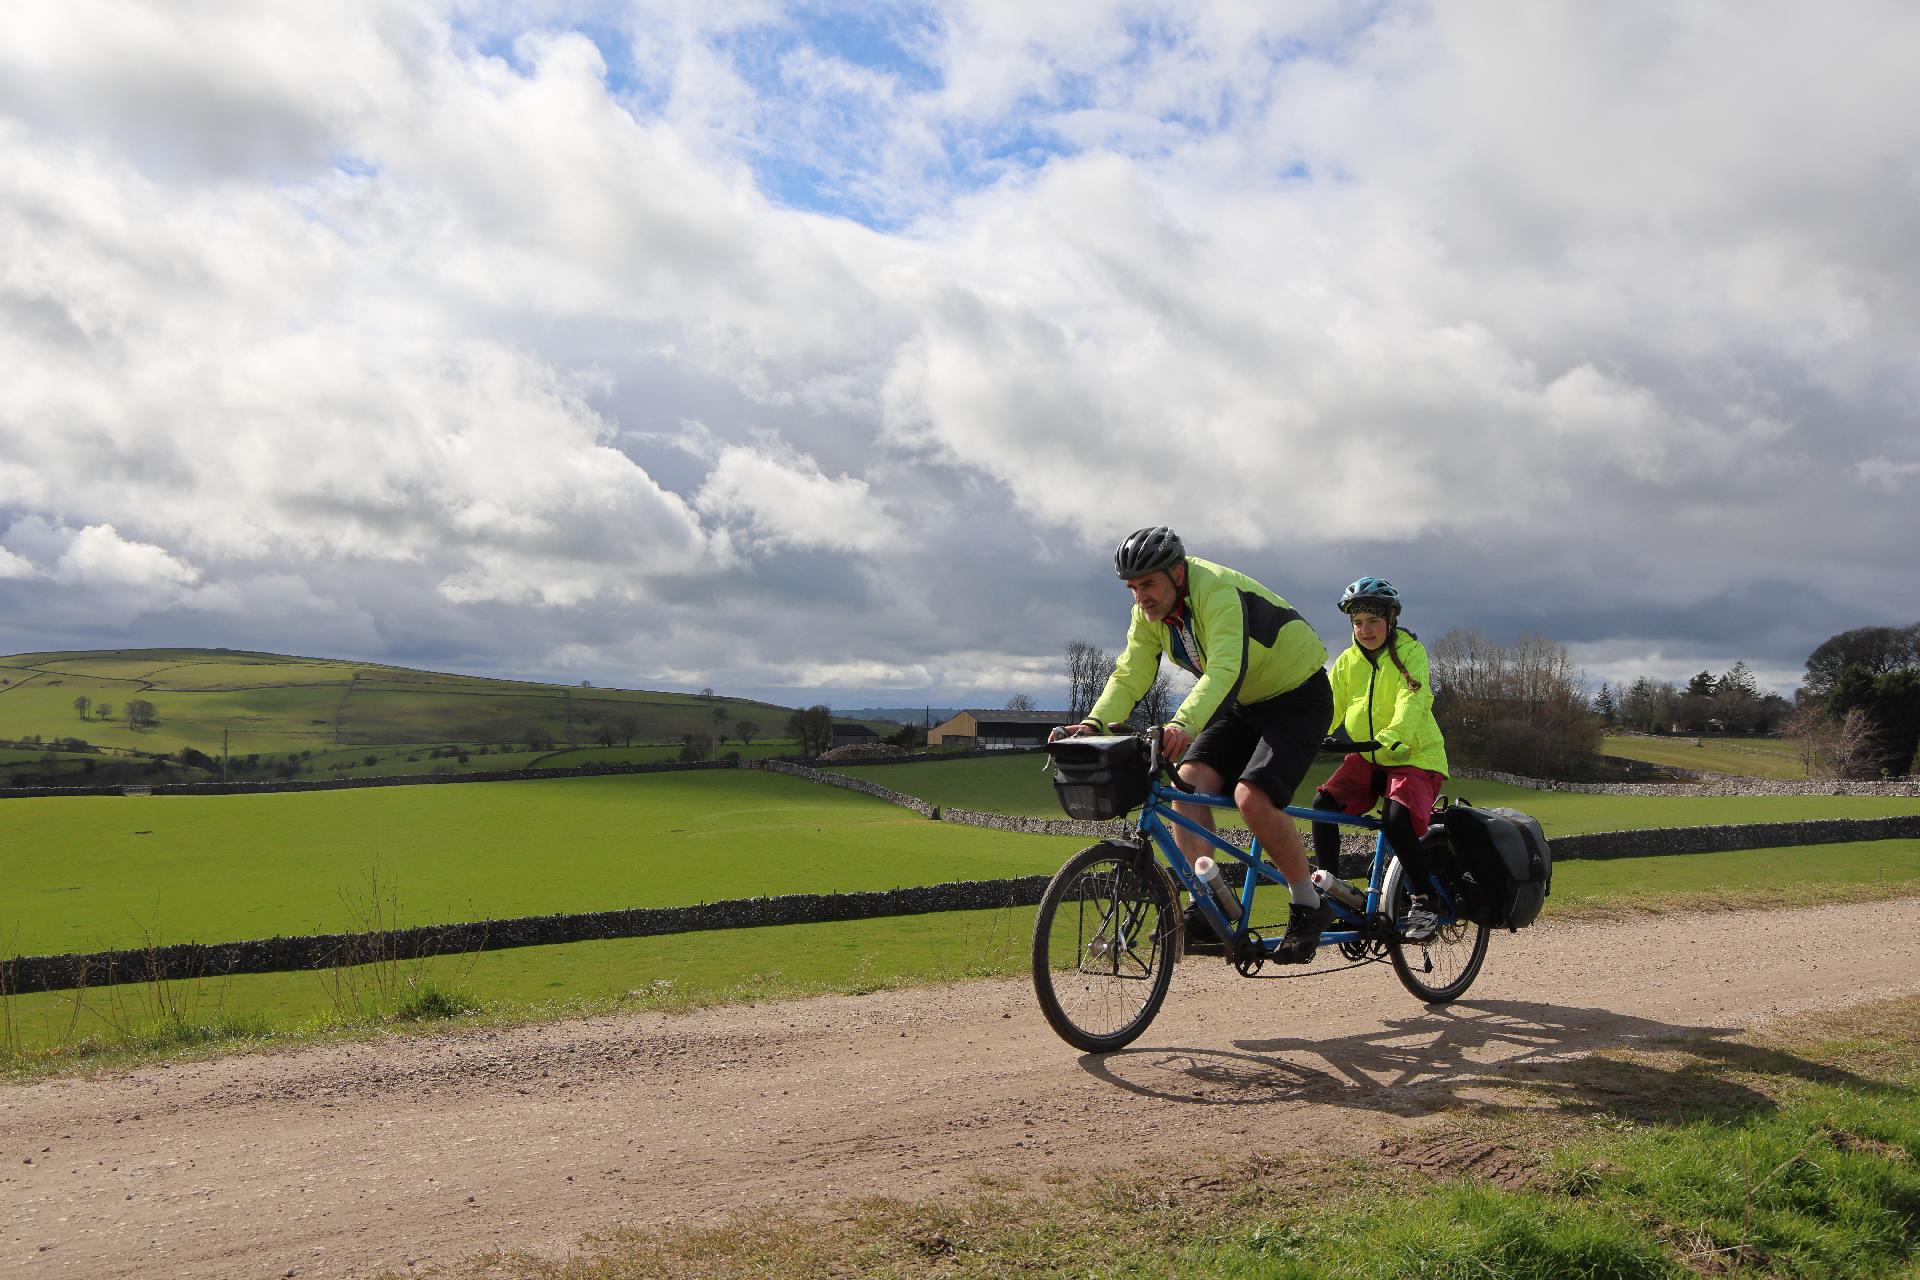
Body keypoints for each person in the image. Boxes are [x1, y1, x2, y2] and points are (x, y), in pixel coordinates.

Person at [1055, 526, 1334, 964]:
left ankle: (1308, 904)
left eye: (1147, 584)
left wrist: (1182, 724)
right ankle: (1210, 902)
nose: (1139, 596)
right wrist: (1092, 722)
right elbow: (1130, 673)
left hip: (1299, 696)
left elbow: (1225, 668)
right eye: (1132, 587)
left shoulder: (1217, 591)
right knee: (1187, 783)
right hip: (1247, 702)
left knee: (1252, 797)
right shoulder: (1148, 615)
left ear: (1178, 573)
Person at [1311, 576, 1451, 941]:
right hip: (1370, 756)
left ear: (1391, 619)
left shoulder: (1410, 652)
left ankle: (1425, 899)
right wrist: (1306, 735)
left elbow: (1413, 701)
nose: (1364, 629)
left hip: (1413, 754)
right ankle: (1330, 891)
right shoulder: (1347, 662)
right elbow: (1330, 706)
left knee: (1396, 819)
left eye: (1372, 621)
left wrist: (1391, 736)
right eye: (1357, 622)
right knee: (1322, 802)